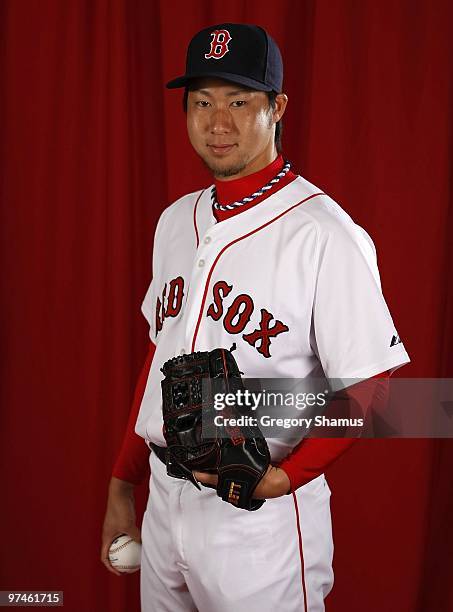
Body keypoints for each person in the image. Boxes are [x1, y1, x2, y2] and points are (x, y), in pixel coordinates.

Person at [101, 23, 410, 611]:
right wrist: (125, 481)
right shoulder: (175, 222)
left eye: (240, 101)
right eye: (203, 102)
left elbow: (373, 388)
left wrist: (283, 479)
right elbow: (158, 358)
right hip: (165, 503)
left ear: (278, 107)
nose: (219, 123)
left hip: (257, 523)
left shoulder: (324, 233)